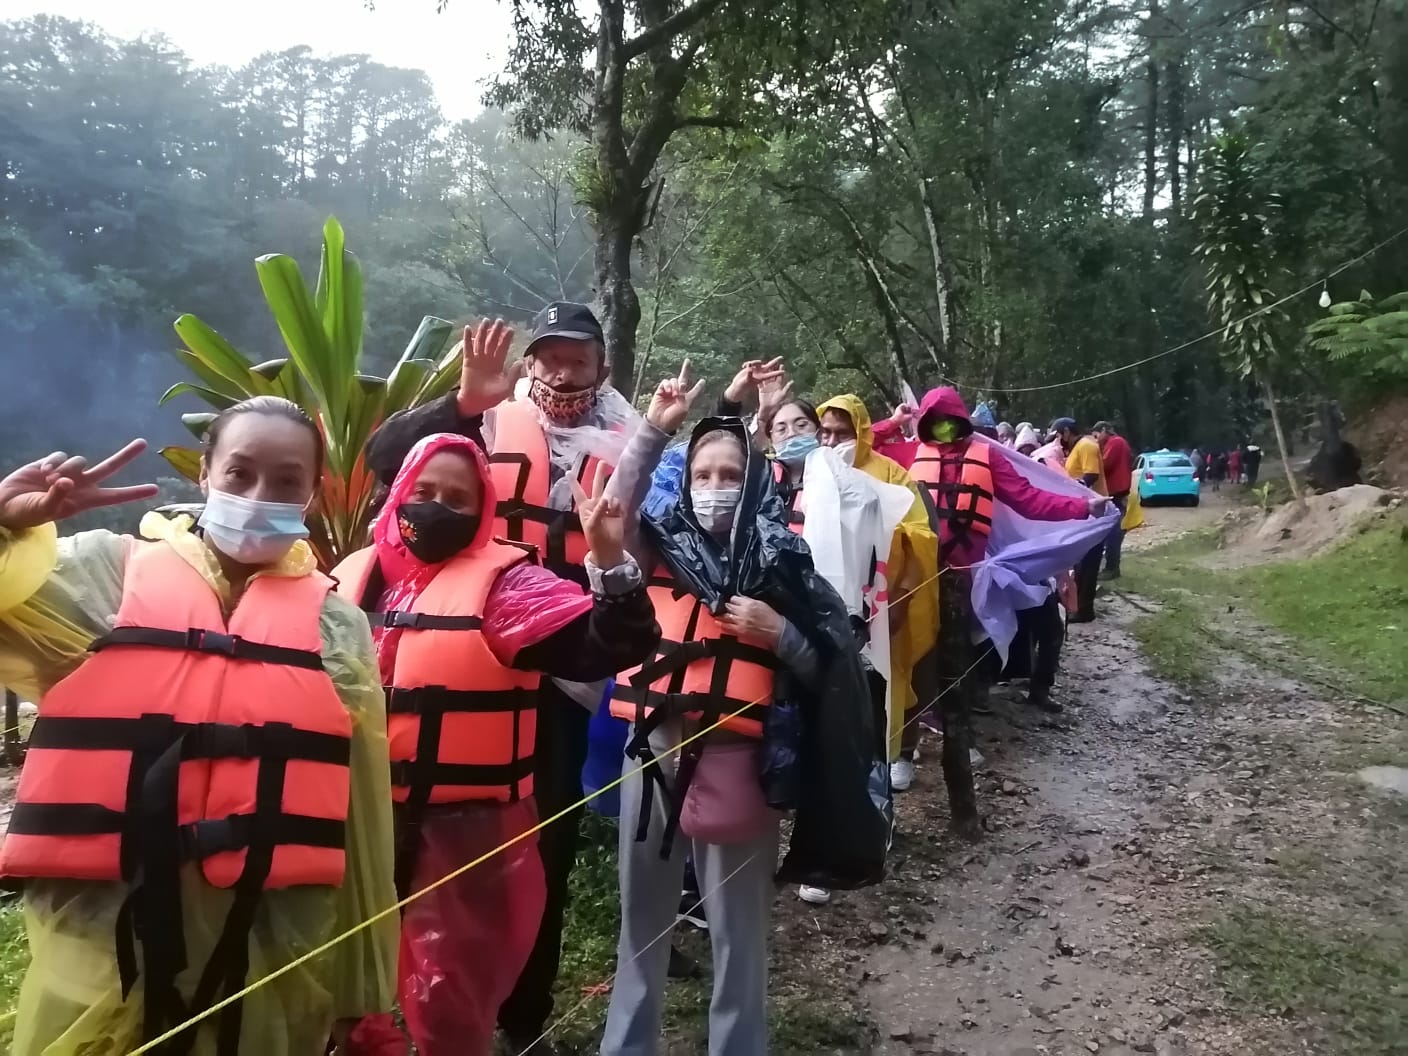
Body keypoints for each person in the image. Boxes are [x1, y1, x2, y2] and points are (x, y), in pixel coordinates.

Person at [0, 399, 399, 1056]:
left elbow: (361, 820)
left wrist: (362, 987)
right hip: (102, 938)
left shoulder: (337, 628)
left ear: (314, 492)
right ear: (205, 474)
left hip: (270, 942)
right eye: (240, 473)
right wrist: (4, 525)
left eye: (287, 480)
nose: (259, 495)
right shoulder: (98, 577)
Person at [364, 306, 686, 1055]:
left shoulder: (629, 434)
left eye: (579, 360)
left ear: (602, 367)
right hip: (458, 641)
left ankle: (521, 1016)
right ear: (531, 364)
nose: (563, 373)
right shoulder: (486, 421)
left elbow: (656, 514)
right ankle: (382, 1007)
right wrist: (463, 401)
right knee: (394, 841)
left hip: (563, 656)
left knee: (543, 844)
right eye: (551, 358)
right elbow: (388, 461)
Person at [601, 418, 878, 1056]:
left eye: (730, 475)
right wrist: (654, 430)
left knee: (738, 931)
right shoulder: (656, 545)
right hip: (651, 751)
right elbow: (613, 509)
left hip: (739, 762)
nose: (714, 487)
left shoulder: (784, 559)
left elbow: (831, 669)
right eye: (702, 475)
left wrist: (779, 633)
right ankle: (626, 1047)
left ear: (754, 482)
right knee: (641, 922)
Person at [872, 391, 1103, 834]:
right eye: (934, 420)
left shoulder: (988, 457)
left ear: (961, 420)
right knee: (912, 665)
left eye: (948, 420)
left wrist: (1081, 506)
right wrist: (893, 422)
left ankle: (960, 780)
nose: (943, 429)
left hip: (961, 581)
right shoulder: (909, 454)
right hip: (915, 580)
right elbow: (861, 445)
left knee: (955, 672)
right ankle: (903, 753)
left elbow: (1030, 499)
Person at [815, 395, 938, 796]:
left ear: (861, 433)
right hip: (831, 599)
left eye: (841, 433)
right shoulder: (815, 473)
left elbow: (920, 533)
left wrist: (901, 593)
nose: (831, 441)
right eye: (825, 432)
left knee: (893, 676)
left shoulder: (891, 474)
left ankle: (899, 753)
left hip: (884, 597)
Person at [1052, 417, 1108, 622]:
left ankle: (1085, 610)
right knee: (1081, 563)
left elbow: (1091, 475)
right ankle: (1079, 606)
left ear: (1067, 432)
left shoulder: (1086, 446)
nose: (1058, 441)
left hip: (1094, 513)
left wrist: (1073, 487)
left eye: (1059, 435)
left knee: (1089, 562)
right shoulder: (1079, 448)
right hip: (1086, 512)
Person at [1093, 421, 1132, 580]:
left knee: (1113, 533)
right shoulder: (1116, 442)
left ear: (1104, 430)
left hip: (1117, 494)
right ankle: (1111, 567)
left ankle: (1112, 568)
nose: (1096, 439)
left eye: (1097, 435)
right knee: (1112, 532)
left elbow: (1104, 464)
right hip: (1116, 493)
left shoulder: (1116, 442)